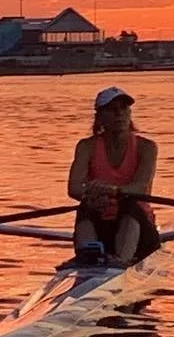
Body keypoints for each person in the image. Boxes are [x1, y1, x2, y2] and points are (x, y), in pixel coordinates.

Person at [67, 87, 161, 266]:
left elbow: (140, 187)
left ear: (130, 113)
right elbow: (74, 188)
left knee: (129, 204)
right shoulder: (86, 146)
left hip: (138, 230)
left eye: (124, 108)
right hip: (102, 224)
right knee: (86, 206)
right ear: (100, 118)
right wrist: (90, 194)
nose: (119, 114)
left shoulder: (147, 147)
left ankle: (120, 262)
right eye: (112, 109)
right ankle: (87, 258)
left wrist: (112, 190)